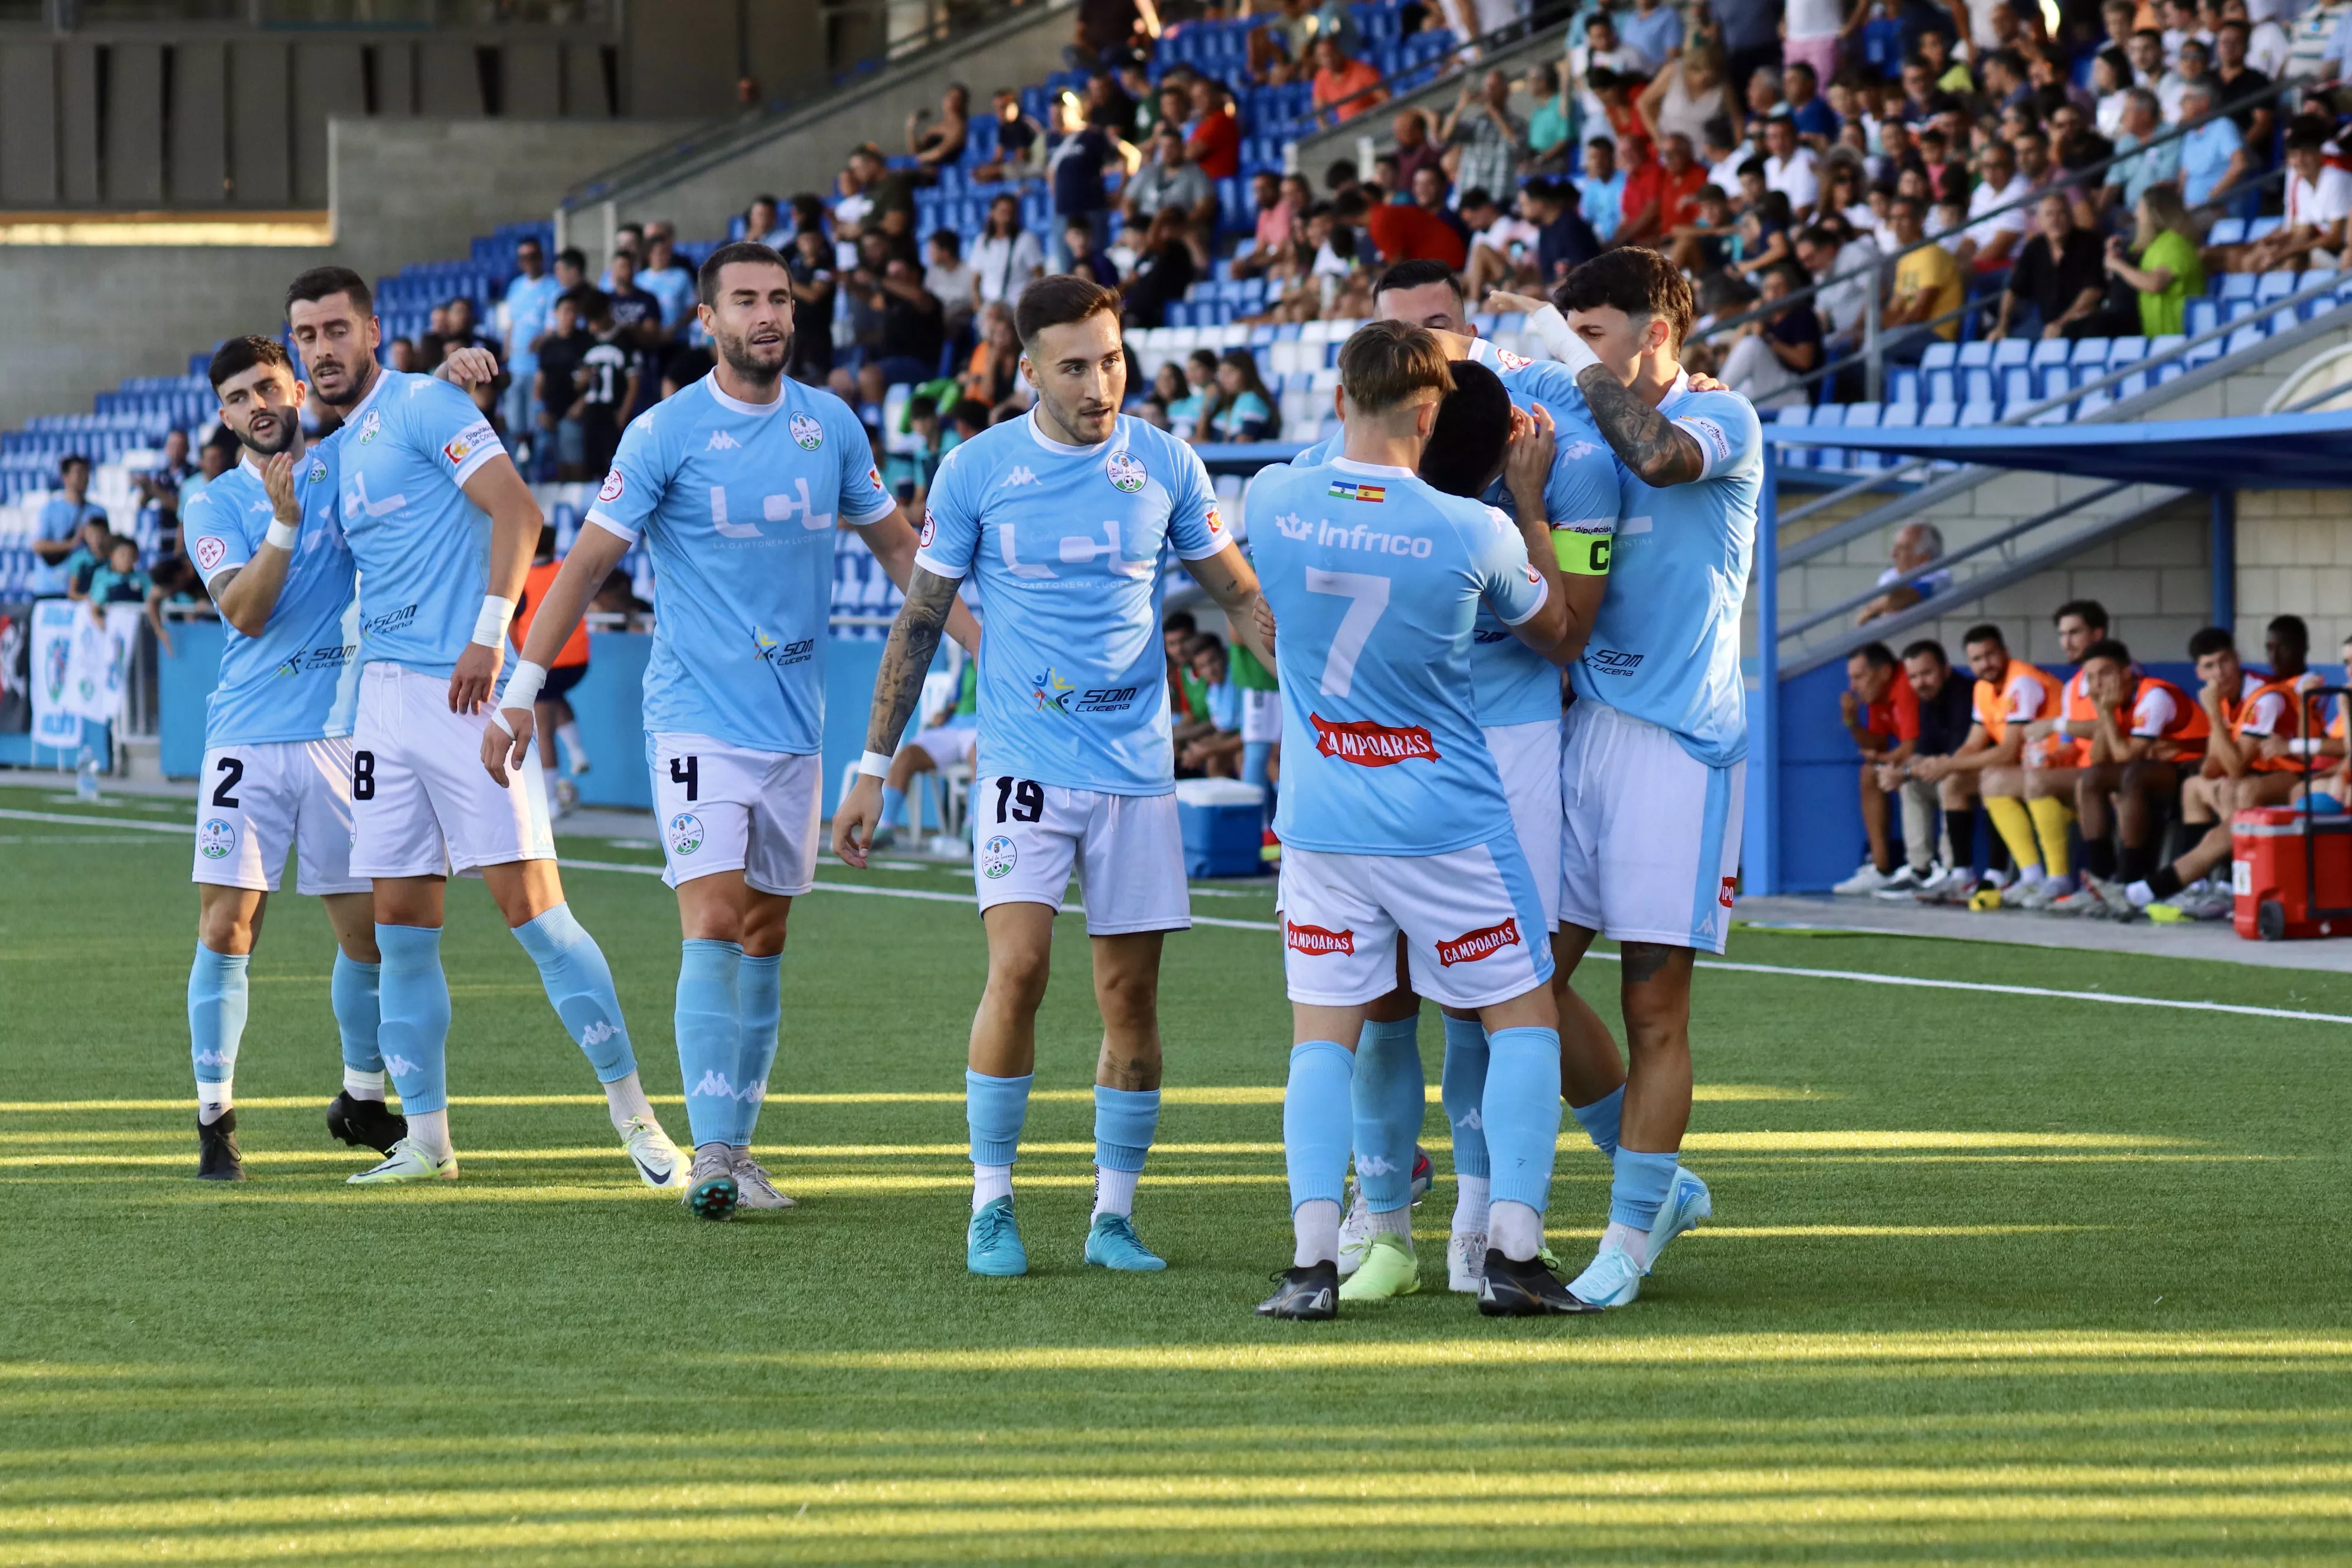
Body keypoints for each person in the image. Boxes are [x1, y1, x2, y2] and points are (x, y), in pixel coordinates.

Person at [486, 242, 978, 1219]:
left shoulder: (829, 427)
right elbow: (582, 567)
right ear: (706, 319)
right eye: (745, 300)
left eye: (780, 299)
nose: (767, 315)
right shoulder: (664, 434)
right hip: (693, 719)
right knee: (711, 921)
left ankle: (739, 1150)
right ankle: (710, 1154)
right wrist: (521, 684)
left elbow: (898, 552)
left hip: (793, 728)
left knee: (765, 932)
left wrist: (992, 648)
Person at [832, 275, 1272, 1279]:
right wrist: (868, 768)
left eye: (1110, 359)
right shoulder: (977, 470)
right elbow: (917, 620)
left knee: (1129, 999)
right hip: (1024, 759)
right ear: (1027, 369)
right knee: (1019, 968)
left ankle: (1111, 1215)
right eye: (1072, 365)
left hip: (1133, 772)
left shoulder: (1165, 462)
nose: (1097, 382)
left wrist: (1318, 700)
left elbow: (1238, 596)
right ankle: (991, 1204)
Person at [282, 264, 684, 1188]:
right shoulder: (337, 455)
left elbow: (522, 512)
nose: (323, 348)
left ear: (373, 331)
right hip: (378, 710)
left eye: (336, 329)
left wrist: (488, 639)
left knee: (536, 917)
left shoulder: (427, 405)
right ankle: (427, 1141)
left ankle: (640, 1124)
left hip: (463, 697)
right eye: (306, 336)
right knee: (402, 927)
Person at [1245, 321, 1585, 1321]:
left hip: (1320, 820)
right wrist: (1528, 506)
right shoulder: (1467, 529)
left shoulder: (1270, 499)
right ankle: (1510, 1255)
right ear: (1431, 416)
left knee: (1322, 1039)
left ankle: (1314, 1267)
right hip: (1445, 820)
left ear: (1339, 398)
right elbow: (1551, 627)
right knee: (1521, 1020)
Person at [1487, 247, 1760, 1310]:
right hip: (1582, 732)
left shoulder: (1723, 415)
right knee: (1517, 984)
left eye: (1590, 332)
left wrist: (1567, 362)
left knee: (1652, 1004)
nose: (1571, 353)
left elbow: (1652, 457)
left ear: (1653, 331)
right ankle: (1657, 1182)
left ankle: (1627, 1242)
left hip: (1678, 750)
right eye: (1569, 333)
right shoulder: (1572, 419)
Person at [177, 335, 389, 1182]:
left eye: (267, 386)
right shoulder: (214, 504)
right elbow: (249, 614)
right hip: (248, 740)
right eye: (237, 396)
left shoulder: (351, 467)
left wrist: (447, 384)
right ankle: (216, 1116)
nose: (256, 404)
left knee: (366, 933)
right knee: (229, 928)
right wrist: (285, 520)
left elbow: (406, 436)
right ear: (224, 415)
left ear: (297, 388)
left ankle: (361, 1098)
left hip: (343, 736)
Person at [2124, 624, 2317, 920]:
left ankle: (2227, 885)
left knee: (2237, 790)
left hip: (2297, 773)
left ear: (2237, 659)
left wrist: (2213, 714)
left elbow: (2237, 767)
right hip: (2258, 775)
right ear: (2199, 673)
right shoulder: (2224, 699)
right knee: (2195, 787)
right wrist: (2217, 728)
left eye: (2225, 662)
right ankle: (2199, 886)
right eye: (2209, 666)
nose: (2220, 672)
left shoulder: (2265, 697)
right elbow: (2212, 767)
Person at [1903, 623, 2064, 897]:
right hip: (2029, 767)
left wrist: (1947, 764)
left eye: (1990, 655)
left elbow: (2009, 751)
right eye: (1977, 659)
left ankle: (2005, 874)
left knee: (1992, 778)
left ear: (2006, 652)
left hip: (2060, 763)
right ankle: (1962, 874)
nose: (1985, 664)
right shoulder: (1983, 688)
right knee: (1954, 783)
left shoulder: (2022, 682)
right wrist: (1946, 767)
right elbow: (1973, 744)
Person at [2057, 638, 2210, 917]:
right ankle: (2101, 879)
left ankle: (2131, 879)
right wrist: (2105, 713)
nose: (2098, 683)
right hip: (2151, 770)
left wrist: (2105, 713)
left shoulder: (2155, 696)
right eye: (2091, 677)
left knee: (2132, 776)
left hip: (2192, 769)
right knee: (2091, 778)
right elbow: (2099, 759)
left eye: (2105, 673)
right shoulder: (2113, 702)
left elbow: (2128, 758)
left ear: (2127, 672)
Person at [1991, 600, 2110, 909]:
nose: (2066, 642)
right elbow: (2072, 745)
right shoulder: (2074, 685)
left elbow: (2109, 727)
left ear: (2098, 634)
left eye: (2075, 633)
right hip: (2081, 772)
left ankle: (2060, 879)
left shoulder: (2117, 674)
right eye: (2062, 634)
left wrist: (2054, 725)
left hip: (2114, 770)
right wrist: (2052, 759)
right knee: (1998, 782)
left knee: (2038, 784)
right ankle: (2033, 876)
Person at [1884, 639, 1998, 902]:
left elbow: (1959, 755)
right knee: (1910, 784)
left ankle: (1951, 869)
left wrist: (1912, 770)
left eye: (1927, 673)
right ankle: (1920, 868)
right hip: (1952, 771)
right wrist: (1901, 770)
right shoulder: (1925, 700)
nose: (1921, 682)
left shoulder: (1965, 693)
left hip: (1983, 773)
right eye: (1914, 677)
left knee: (1949, 781)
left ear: (1945, 670)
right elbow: (1923, 753)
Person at [508, 525, 593, 818]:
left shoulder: (522, 579)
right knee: (557, 694)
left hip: (545, 660)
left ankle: (550, 803)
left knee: (542, 730)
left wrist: (520, 658)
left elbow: (511, 623)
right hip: (578, 659)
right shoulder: (564, 570)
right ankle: (577, 751)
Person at [1840, 642, 1920, 893]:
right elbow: (1877, 742)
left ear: (1884, 672)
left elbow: (1910, 747)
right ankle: (1881, 868)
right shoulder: (1877, 695)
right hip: (1915, 760)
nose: (1853, 686)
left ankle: (1919, 867)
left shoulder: (1905, 686)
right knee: (1870, 771)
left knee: (1882, 772)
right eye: (1851, 678)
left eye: (1859, 677)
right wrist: (1852, 721)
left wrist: (1884, 759)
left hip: (1938, 758)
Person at [1989, 192, 2106, 342]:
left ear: (2071, 216)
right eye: (2049, 215)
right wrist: (2002, 326)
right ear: (2040, 222)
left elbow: (2093, 291)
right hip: (2043, 323)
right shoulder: (2035, 247)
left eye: (2061, 213)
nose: (2055, 220)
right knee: (2008, 344)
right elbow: (2013, 289)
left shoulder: (2090, 243)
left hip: (2081, 322)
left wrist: (2060, 324)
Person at [2106, 185, 2204, 339]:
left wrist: (2119, 266)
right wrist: (2117, 259)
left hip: (2176, 338)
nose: (2136, 215)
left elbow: (2155, 283)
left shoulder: (2174, 244)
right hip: (2158, 338)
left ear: (2155, 213)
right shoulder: (2155, 245)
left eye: (2140, 209)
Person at [498, 236, 561, 443]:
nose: (529, 261)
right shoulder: (515, 287)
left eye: (533, 256)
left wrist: (541, 340)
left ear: (541, 258)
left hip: (539, 368)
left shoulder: (553, 287)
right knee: (516, 424)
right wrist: (506, 351)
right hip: (517, 366)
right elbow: (511, 323)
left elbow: (555, 327)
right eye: (524, 257)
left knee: (537, 424)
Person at [30, 455, 108, 597]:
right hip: (52, 587)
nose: (84, 477)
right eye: (79, 473)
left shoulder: (99, 512)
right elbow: (38, 545)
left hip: (86, 591)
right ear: (65, 477)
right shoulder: (49, 510)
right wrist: (71, 544)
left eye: (87, 472)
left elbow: (106, 547)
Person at [1854, 520, 1951, 624]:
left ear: (1924, 558)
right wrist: (1878, 607)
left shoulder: (1940, 576)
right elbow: (1865, 617)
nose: (1893, 554)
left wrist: (1872, 608)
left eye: (1902, 548)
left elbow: (1897, 600)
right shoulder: (1890, 576)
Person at [1310, 35, 1387, 125]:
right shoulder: (1321, 78)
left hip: (1372, 125)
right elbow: (1320, 114)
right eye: (1323, 56)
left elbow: (1386, 100)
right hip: (1347, 131)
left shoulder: (1363, 71)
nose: (1329, 59)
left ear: (1340, 51)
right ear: (1318, 60)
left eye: (1331, 53)